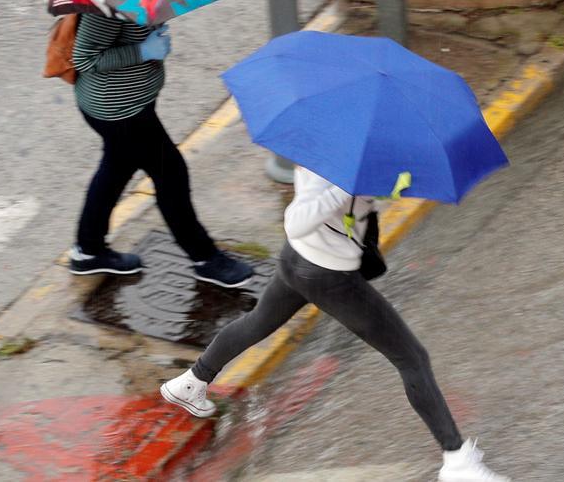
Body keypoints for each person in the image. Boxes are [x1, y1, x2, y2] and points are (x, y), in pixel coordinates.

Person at [160, 165, 510, 482]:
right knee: (411, 358)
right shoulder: (337, 165)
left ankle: (192, 381)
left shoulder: (330, 141)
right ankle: (457, 460)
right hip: (328, 275)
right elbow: (297, 218)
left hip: (297, 257)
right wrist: (349, 187)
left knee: (257, 322)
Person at [68, 12, 253, 287]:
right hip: (119, 112)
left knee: (117, 167)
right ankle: (205, 258)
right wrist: (143, 51)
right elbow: (85, 58)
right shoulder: (107, 7)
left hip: (132, 103)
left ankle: (88, 250)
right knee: (171, 174)